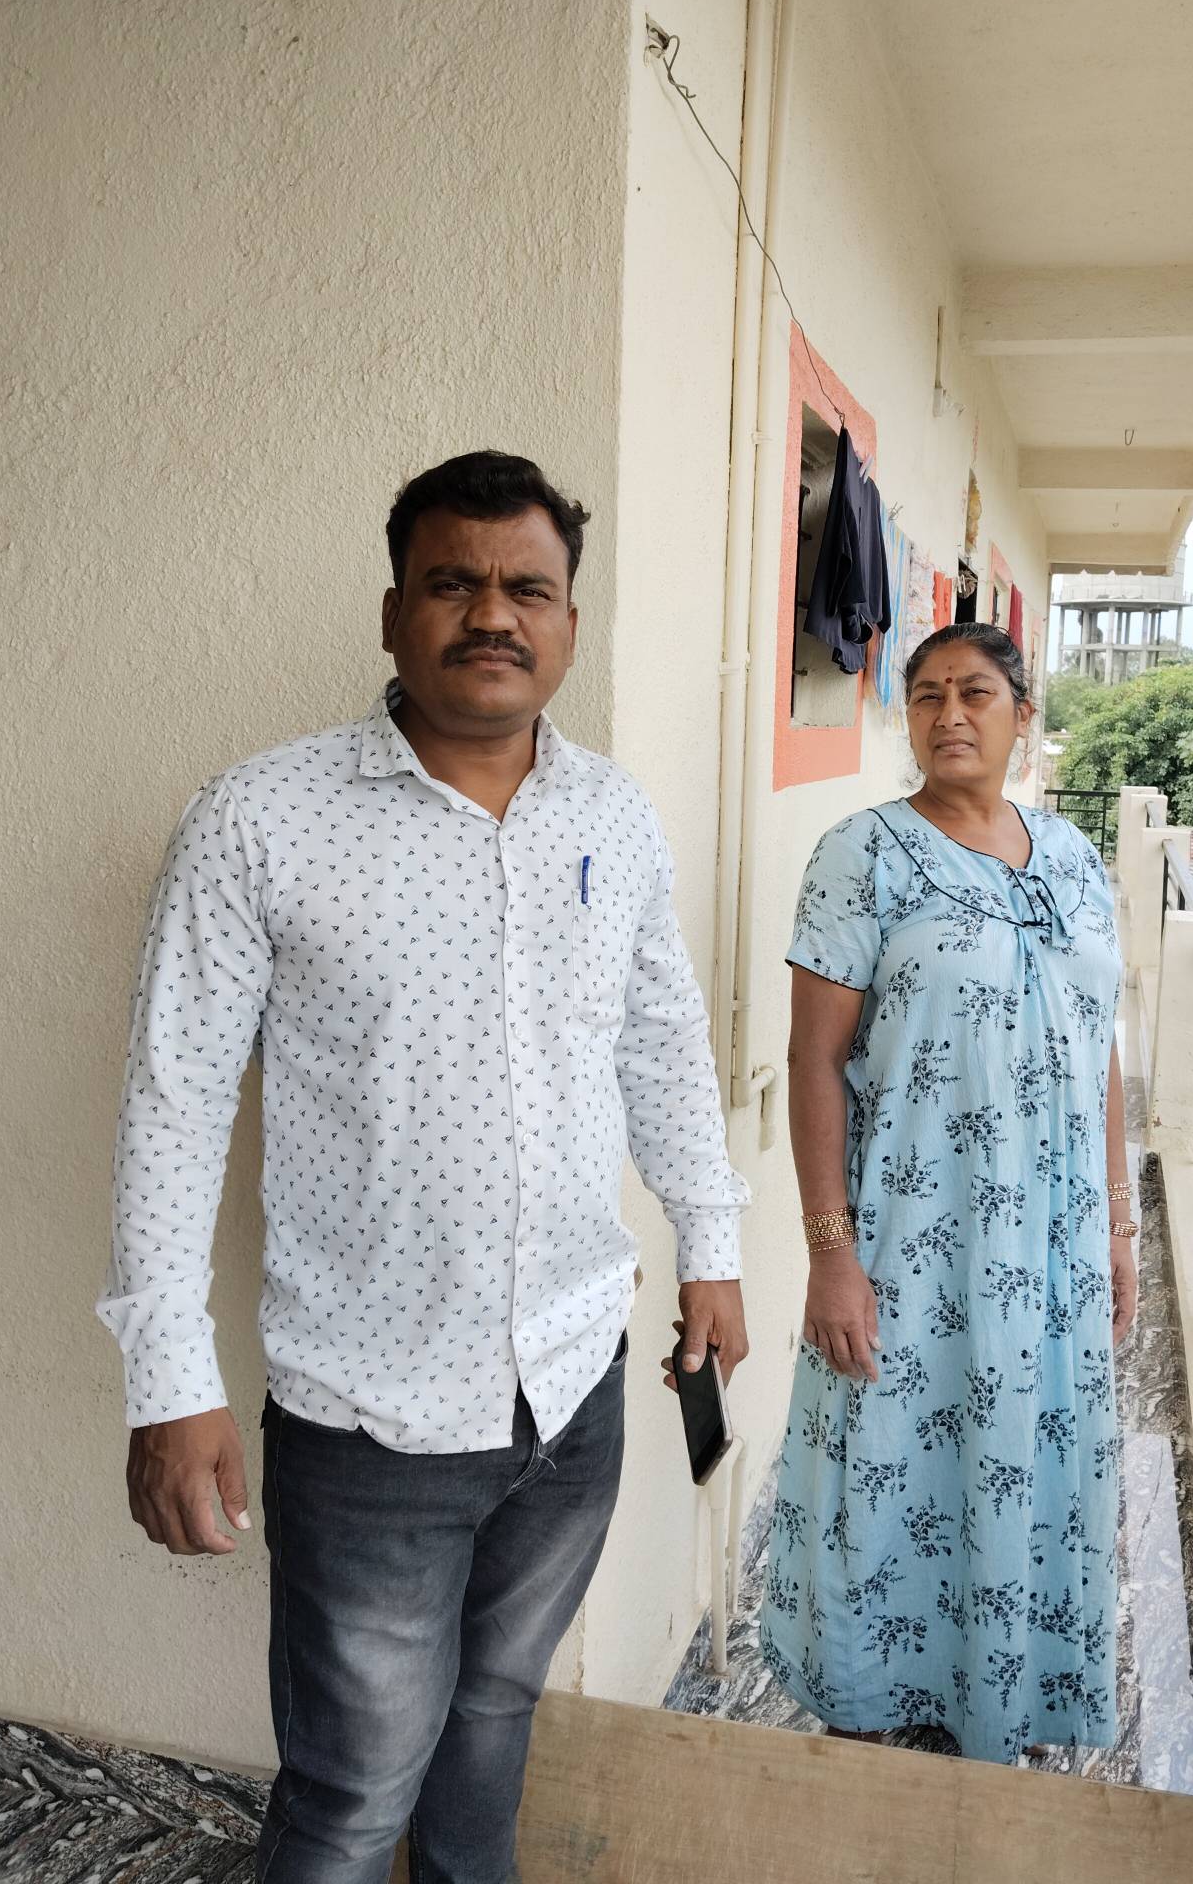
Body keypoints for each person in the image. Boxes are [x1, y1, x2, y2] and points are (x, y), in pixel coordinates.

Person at [99, 451, 749, 1884]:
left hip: (574, 1388)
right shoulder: (261, 820)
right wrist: (169, 1379)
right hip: (369, 1413)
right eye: (453, 583)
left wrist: (711, 1244)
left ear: (569, 621)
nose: (492, 614)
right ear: (394, 612)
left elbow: (659, 1043)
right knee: (350, 1795)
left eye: (528, 588)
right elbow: (173, 1103)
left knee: (495, 1721)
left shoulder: (613, 817)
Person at [758, 622, 1136, 1762]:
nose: (949, 714)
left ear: (1024, 713)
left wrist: (1119, 1229)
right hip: (916, 1241)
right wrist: (830, 1252)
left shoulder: (1075, 857)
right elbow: (814, 1060)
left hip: (1058, 1244)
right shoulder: (863, 855)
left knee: (1037, 1458)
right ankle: (883, 1711)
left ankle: (1007, 1704)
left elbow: (1102, 1051)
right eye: (925, 695)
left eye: (976, 692)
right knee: (894, 1463)